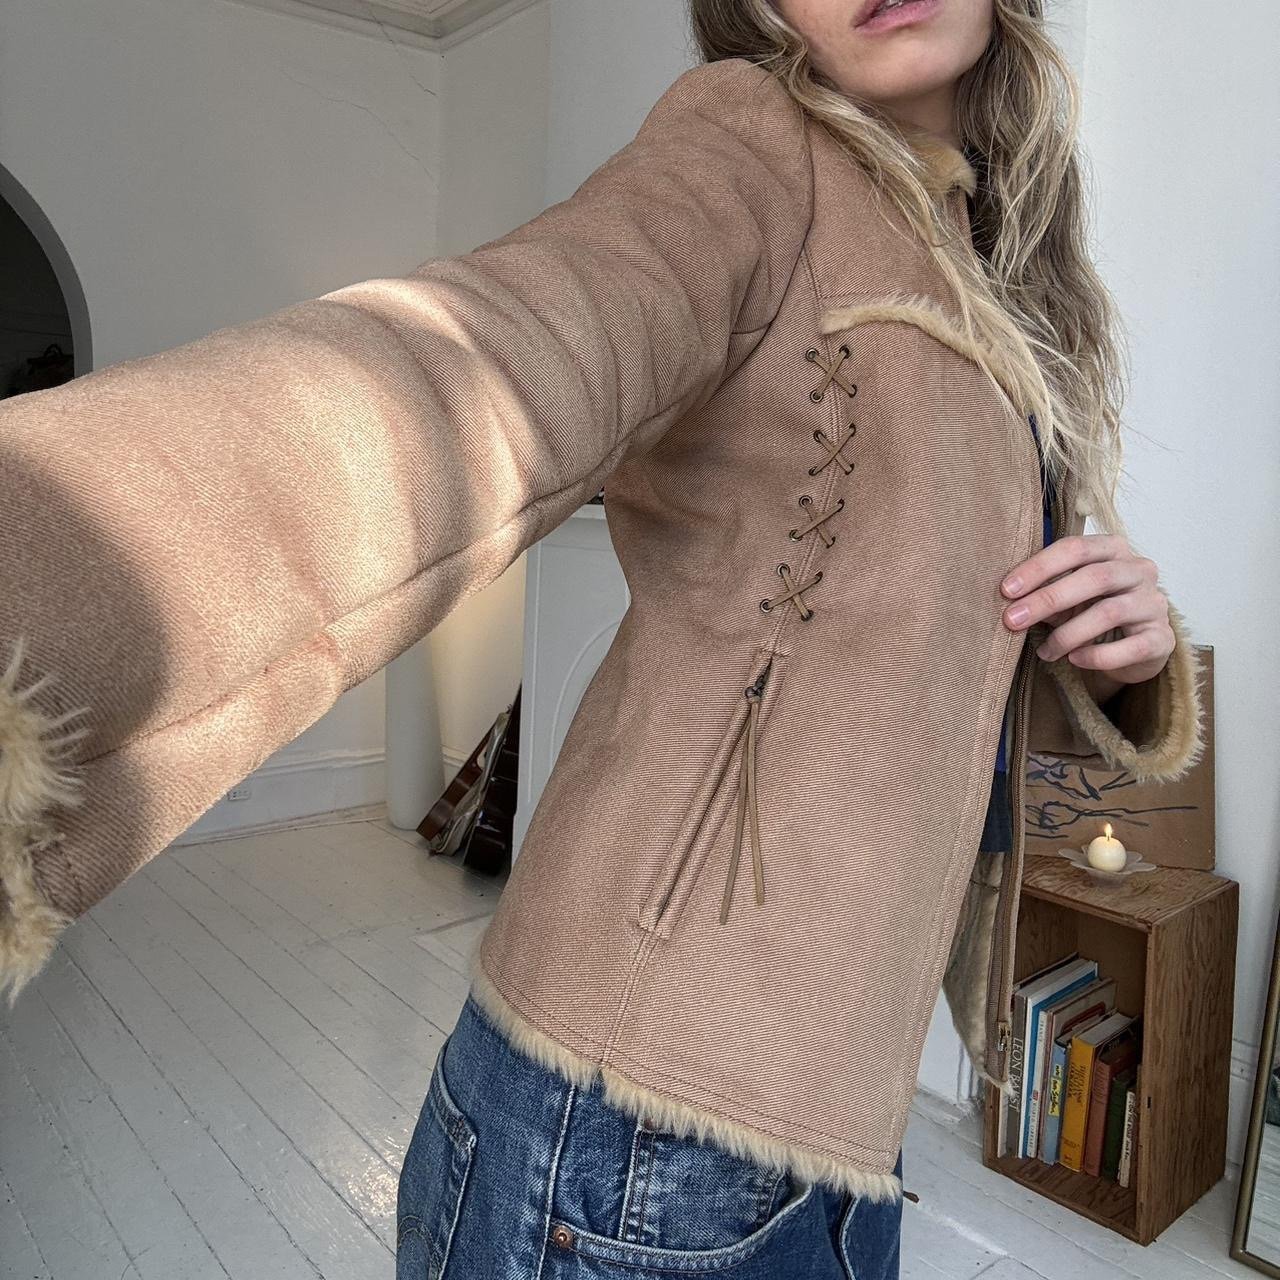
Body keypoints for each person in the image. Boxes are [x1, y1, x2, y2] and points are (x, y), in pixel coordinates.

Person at [0, 1, 1207, 1276]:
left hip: (842, 1124)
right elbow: (493, 355)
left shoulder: (992, 262)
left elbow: (922, 659)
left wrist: (1119, 660)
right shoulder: (755, 143)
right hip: (630, 1143)